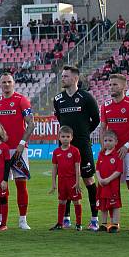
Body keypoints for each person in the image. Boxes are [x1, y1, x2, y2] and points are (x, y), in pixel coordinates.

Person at [0, 72, 35, 230]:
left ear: (13, 83)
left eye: (9, 81)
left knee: (20, 184)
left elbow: (31, 124)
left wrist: (22, 143)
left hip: (18, 150)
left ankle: (23, 220)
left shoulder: (21, 100)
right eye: (4, 82)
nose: (6, 84)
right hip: (0, 150)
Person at [53, 66, 100, 230]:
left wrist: (84, 134)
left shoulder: (86, 97)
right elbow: (60, 119)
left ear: (75, 78)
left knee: (88, 180)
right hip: (64, 147)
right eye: (62, 76)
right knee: (65, 179)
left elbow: (96, 119)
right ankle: (66, 218)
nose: (63, 78)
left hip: (82, 145)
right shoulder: (58, 99)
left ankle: (94, 218)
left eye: (66, 76)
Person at [98, 73, 129, 232]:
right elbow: (103, 128)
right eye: (110, 85)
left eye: (115, 85)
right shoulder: (105, 105)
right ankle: (113, 222)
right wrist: (103, 146)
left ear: (124, 86)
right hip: (111, 153)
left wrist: (127, 145)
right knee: (109, 185)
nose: (111, 87)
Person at [49, 126, 82, 231]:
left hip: (72, 181)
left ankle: (78, 224)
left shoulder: (75, 151)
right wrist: (54, 183)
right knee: (62, 201)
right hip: (62, 181)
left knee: (76, 201)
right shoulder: (56, 152)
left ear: (71, 138)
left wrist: (77, 182)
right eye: (63, 136)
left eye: (68, 136)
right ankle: (59, 223)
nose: (65, 139)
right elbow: (54, 169)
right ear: (59, 137)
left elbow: (77, 167)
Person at [96, 130, 123, 233]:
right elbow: (97, 168)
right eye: (105, 140)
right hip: (102, 185)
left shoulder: (117, 154)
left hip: (112, 185)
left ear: (116, 142)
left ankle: (115, 225)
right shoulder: (101, 154)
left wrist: (108, 179)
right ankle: (103, 224)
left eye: (110, 140)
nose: (107, 142)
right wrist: (99, 179)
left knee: (114, 204)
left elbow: (119, 171)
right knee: (103, 204)